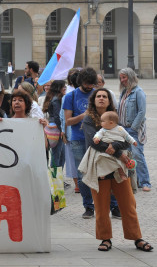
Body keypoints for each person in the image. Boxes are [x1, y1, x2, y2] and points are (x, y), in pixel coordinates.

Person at [80, 88, 153, 253]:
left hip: (119, 168)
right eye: (98, 96)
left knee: (128, 204)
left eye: (104, 96)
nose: (101, 98)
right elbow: (94, 142)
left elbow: (126, 140)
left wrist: (116, 147)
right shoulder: (88, 119)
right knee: (101, 206)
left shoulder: (114, 118)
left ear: (109, 101)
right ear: (94, 100)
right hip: (100, 168)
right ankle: (105, 239)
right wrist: (118, 152)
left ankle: (137, 238)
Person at [64, 67, 100, 218]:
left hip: (98, 138)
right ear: (80, 81)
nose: (89, 87)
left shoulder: (98, 95)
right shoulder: (70, 97)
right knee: (82, 174)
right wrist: (84, 115)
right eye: (87, 83)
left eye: (92, 84)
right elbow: (68, 121)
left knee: (103, 172)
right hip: (78, 139)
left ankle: (112, 205)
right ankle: (88, 206)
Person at [118, 68, 151, 192]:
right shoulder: (124, 92)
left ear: (131, 77)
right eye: (121, 78)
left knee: (138, 155)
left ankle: (145, 182)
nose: (122, 80)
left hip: (133, 130)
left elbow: (142, 112)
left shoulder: (138, 92)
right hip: (123, 129)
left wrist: (133, 127)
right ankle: (134, 181)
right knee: (128, 156)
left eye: (124, 77)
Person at [80, 110, 137, 183]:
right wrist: (96, 138)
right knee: (101, 158)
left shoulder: (120, 129)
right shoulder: (103, 130)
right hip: (106, 148)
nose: (101, 123)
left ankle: (121, 173)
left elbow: (127, 136)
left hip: (119, 146)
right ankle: (101, 173)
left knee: (120, 162)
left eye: (102, 121)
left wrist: (133, 141)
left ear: (111, 122)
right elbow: (98, 134)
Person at [42, 80, 67, 168]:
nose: (65, 88)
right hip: (56, 128)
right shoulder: (57, 99)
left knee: (61, 154)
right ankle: (55, 178)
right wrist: (62, 130)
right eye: (63, 86)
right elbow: (57, 116)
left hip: (55, 127)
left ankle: (58, 177)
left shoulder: (54, 97)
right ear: (59, 88)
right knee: (57, 154)